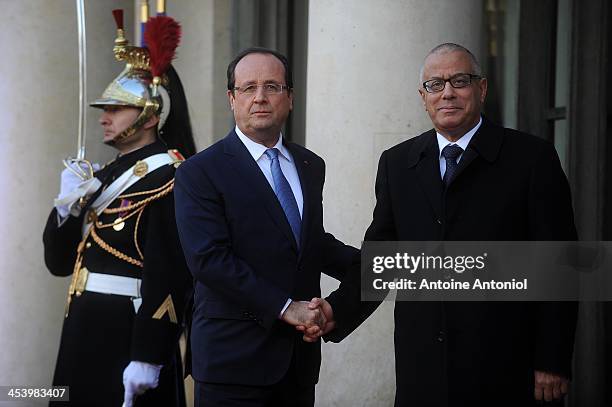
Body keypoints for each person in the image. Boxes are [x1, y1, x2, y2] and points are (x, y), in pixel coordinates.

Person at [307, 43, 578, 407]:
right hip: (425, 370)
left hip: (506, 368)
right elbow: (382, 262)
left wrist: (552, 360)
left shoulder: (532, 159)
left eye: (459, 81)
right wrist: (334, 310)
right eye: (435, 84)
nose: (447, 92)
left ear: (481, 89)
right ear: (423, 97)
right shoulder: (398, 164)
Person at [174, 47, 358, 407]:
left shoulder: (310, 165)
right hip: (232, 366)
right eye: (248, 88)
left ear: (289, 98)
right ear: (232, 98)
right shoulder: (200, 172)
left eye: (273, 87)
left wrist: (371, 271)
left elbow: (306, 244)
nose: (260, 97)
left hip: (298, 367)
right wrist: (287, 307)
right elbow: (208, 259)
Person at [43, 12, 195, 407]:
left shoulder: (170, 177)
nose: (104, 117)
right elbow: (59, 263)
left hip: (127, 335)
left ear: (150, 113)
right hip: (84, 327)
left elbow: (169, 276)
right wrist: (66, 208)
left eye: (116, 107)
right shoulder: (105, 174)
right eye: (105, 107)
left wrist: (147, 355)